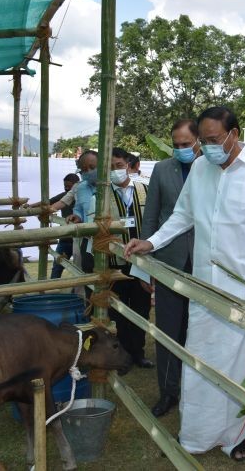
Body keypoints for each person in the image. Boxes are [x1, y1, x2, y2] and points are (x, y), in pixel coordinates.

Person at [124, 106, 245, 462]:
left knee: (239, 367)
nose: (208, 147)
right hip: (203, 284)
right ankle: (198, 434)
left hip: (243, 287)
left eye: (214, 140)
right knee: (200, 361)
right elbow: (182, 215)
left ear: (235, 134)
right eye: (204, 140)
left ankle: (239, 436)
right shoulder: (200, 167)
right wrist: (150, 242)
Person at [140, 119, 200, 417]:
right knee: (167, 331)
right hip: (168, 262)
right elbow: (150, 218)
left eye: (186, 144)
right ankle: (168, 392)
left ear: (199, 142)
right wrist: (145, 267)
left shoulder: (214, 169)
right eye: (176, 145)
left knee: (199, 332)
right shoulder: (163, 170)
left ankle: (198, 391)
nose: (180, 150)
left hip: (204, 264)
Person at [104, 147, 153, 368]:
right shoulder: (102, 195)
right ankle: (123, 355)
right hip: (114, 263)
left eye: (119, 166)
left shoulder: (146, 189)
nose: (116, 171)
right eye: (111, 167)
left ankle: (138, 353)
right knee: (119, 310)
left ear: (128, 164)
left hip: (142, 262)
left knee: (141, 308)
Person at [49, 173, 80, 278]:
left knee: (80, 268)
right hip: (66, 238)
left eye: (68, 186)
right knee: (57, 265)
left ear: (76, 185)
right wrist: (31, 206)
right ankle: (53, 286)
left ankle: (77, 291)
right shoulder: (64, 196)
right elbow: (49, 203)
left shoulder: (84, 195)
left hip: (80, 238)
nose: (66, 188)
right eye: (65, 186)